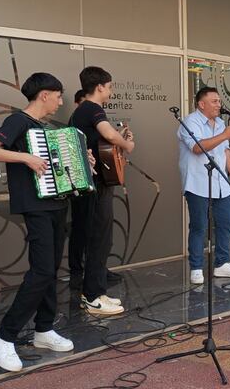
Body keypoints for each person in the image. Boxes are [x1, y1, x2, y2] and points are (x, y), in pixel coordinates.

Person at [0, 73, 82, 371]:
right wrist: (25, 159)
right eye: (58, 95)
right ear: (44, 94)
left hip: (56, 204)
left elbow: (55, 166)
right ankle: (3, 338)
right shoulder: (18, 122)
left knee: (49, 270)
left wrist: (82, 163)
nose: (61, 101)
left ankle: (44, 329)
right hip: (36, 207)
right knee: (42, 270)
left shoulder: (42, 128)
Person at [69, 66, 134, 316]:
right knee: (99, 238)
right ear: (99, 87)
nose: (110, 91)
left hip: (92, 183)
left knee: (97, 237)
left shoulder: (81, 112)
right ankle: (93, 296)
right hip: (96, 185)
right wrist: (127, 143)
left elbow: (101, 140)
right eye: (109, 86)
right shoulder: (93, 108)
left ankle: (97, 292)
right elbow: (109, 135)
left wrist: (118, 139)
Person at [178, 87, 230, 285]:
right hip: (197, 181)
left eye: (219, 101)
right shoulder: (190, 121)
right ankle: (197, 267)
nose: (219, 104)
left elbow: (225, 151)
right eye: (215, 101)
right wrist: (225, 134)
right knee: (199, 225)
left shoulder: (219, 123)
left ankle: (223, 263)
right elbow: (198, 148)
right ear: (202, 104)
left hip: (220, 181)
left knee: (225, 221)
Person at [67, 88, 91, 289]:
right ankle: (76, 269)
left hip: (94, 183)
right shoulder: (73, 124)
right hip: (78, 184)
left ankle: (93, 268)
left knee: (93, 229)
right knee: (80, 227)